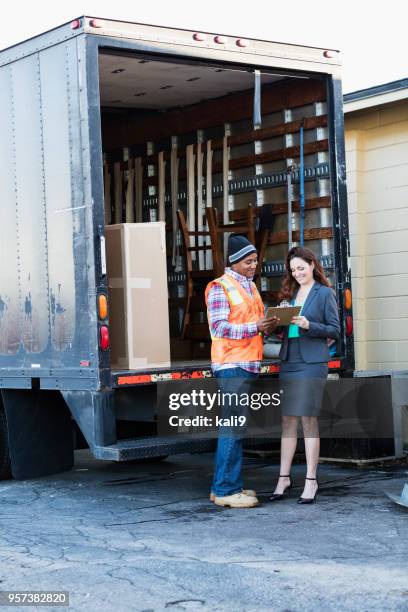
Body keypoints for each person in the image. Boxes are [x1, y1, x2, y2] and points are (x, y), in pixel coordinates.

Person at [205, 234, 279, 508]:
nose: (254, 265)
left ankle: (223, 486)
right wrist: (255, 328)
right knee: (232, 428)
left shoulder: (250, 287)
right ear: (234, 262)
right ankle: (226, 489)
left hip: (247, 364)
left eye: (255, 260)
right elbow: (219, 328)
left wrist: (269, 324)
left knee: (236, 427)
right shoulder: (219, 288)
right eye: (248, 261)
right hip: (231, 365)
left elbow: (254, 322)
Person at [270, 246, 340, 504]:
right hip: (290, 360)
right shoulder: (291, 294)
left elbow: (335, 330)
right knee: (288, 420)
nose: (297, 273)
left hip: (312, 362)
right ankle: (283, 478)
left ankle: (311, 480)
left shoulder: (325, 293)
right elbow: (281, 333)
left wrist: (309, 325)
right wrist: (279, 320)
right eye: (293, 270)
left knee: (308, 420)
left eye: (301, 268)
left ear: (312, 265)